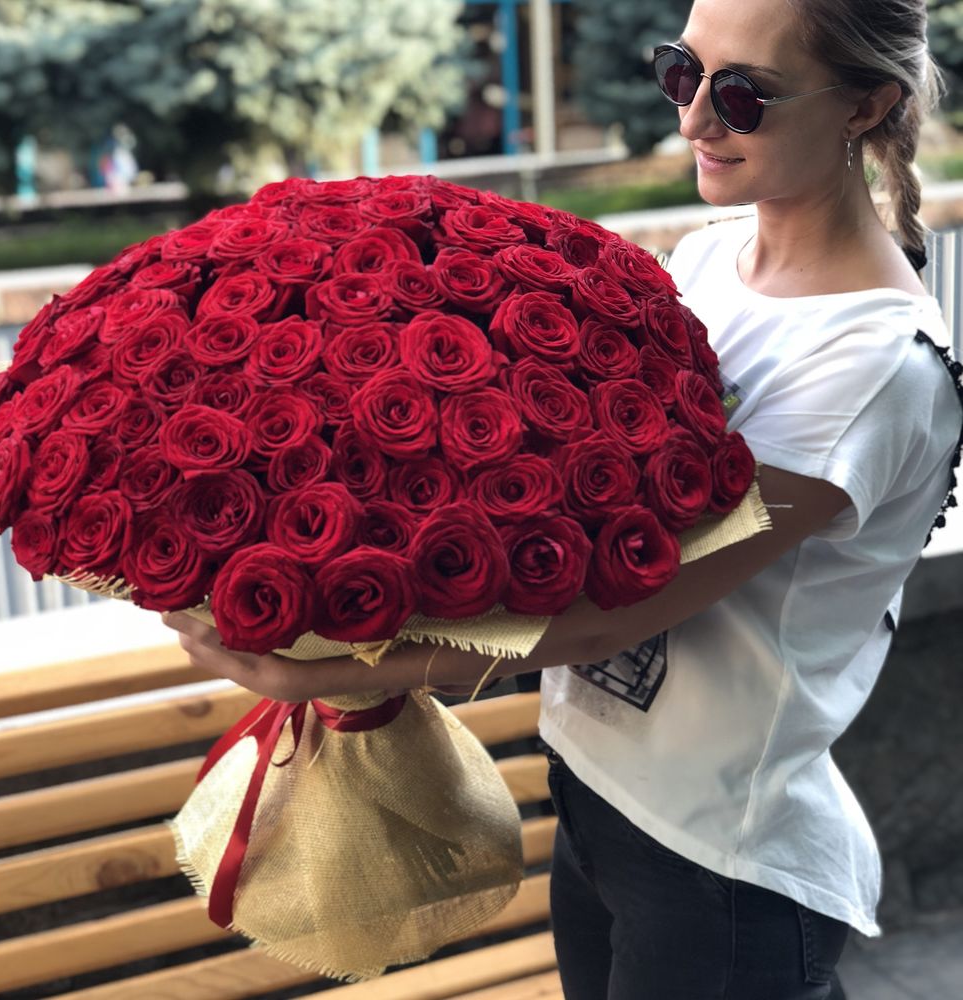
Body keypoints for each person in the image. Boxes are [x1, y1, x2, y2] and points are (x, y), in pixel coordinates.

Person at [163, 0, 963, 995]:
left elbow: (624, 603)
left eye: (743, 96)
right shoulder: (707, 261)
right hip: (596, 799)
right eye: (682, 72)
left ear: (865, 105)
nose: (692, 120)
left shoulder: (875, 368)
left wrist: (338, 672)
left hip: (722, 867)